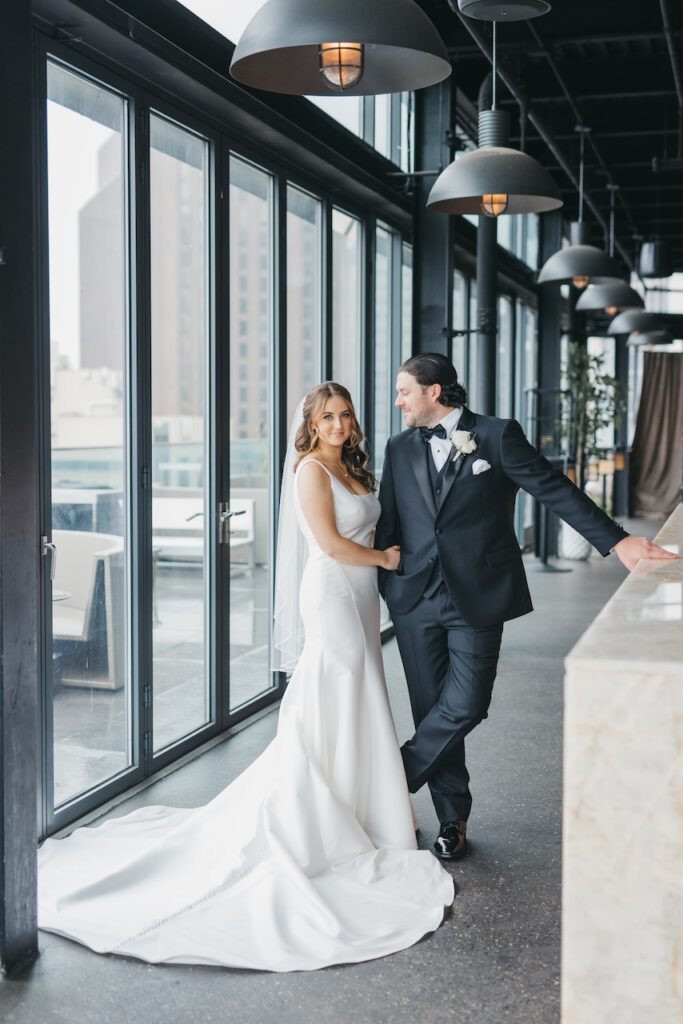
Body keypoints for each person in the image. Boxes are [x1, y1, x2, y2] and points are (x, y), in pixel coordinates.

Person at [38, 382, 453, 972]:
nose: (338, 424)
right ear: (310, 425)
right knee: (336, 692)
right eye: (327, 417)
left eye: (345, 415)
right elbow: (332, 545)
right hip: (334, 593)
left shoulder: (353, 465)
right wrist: (387, 560)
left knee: (362, 698)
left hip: (360, 599)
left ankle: (362, 807)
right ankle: (321, 815)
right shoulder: (312, 470)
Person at [375, 352, 677, 862]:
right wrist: (386, 587)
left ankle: (390, 778)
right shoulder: (399, 446)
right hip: (415, 598)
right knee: (431, 710)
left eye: (405, 391)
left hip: (479, 593)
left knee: (467, 704)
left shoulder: (496, 435)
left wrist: (617, 541)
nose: (398, 400)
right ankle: (452, 818)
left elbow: (552, 490)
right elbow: (390, 521)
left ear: (435, 392)